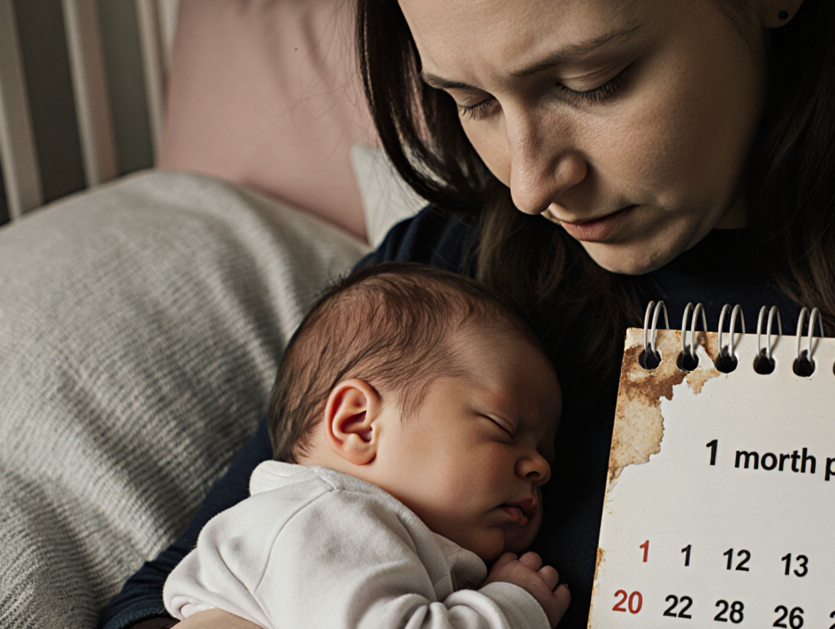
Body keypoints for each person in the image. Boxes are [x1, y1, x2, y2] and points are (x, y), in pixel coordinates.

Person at [101, 0, 835, 628]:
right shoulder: (440, 288)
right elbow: (172, 585)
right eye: (470, 101)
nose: (528, 182)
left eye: (590, 84)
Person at [162, 263, 570, 629]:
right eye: (503, 426)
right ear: (359, 424)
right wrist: (513, 609)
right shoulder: (324, 517)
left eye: (546, 452)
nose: (541, 467)